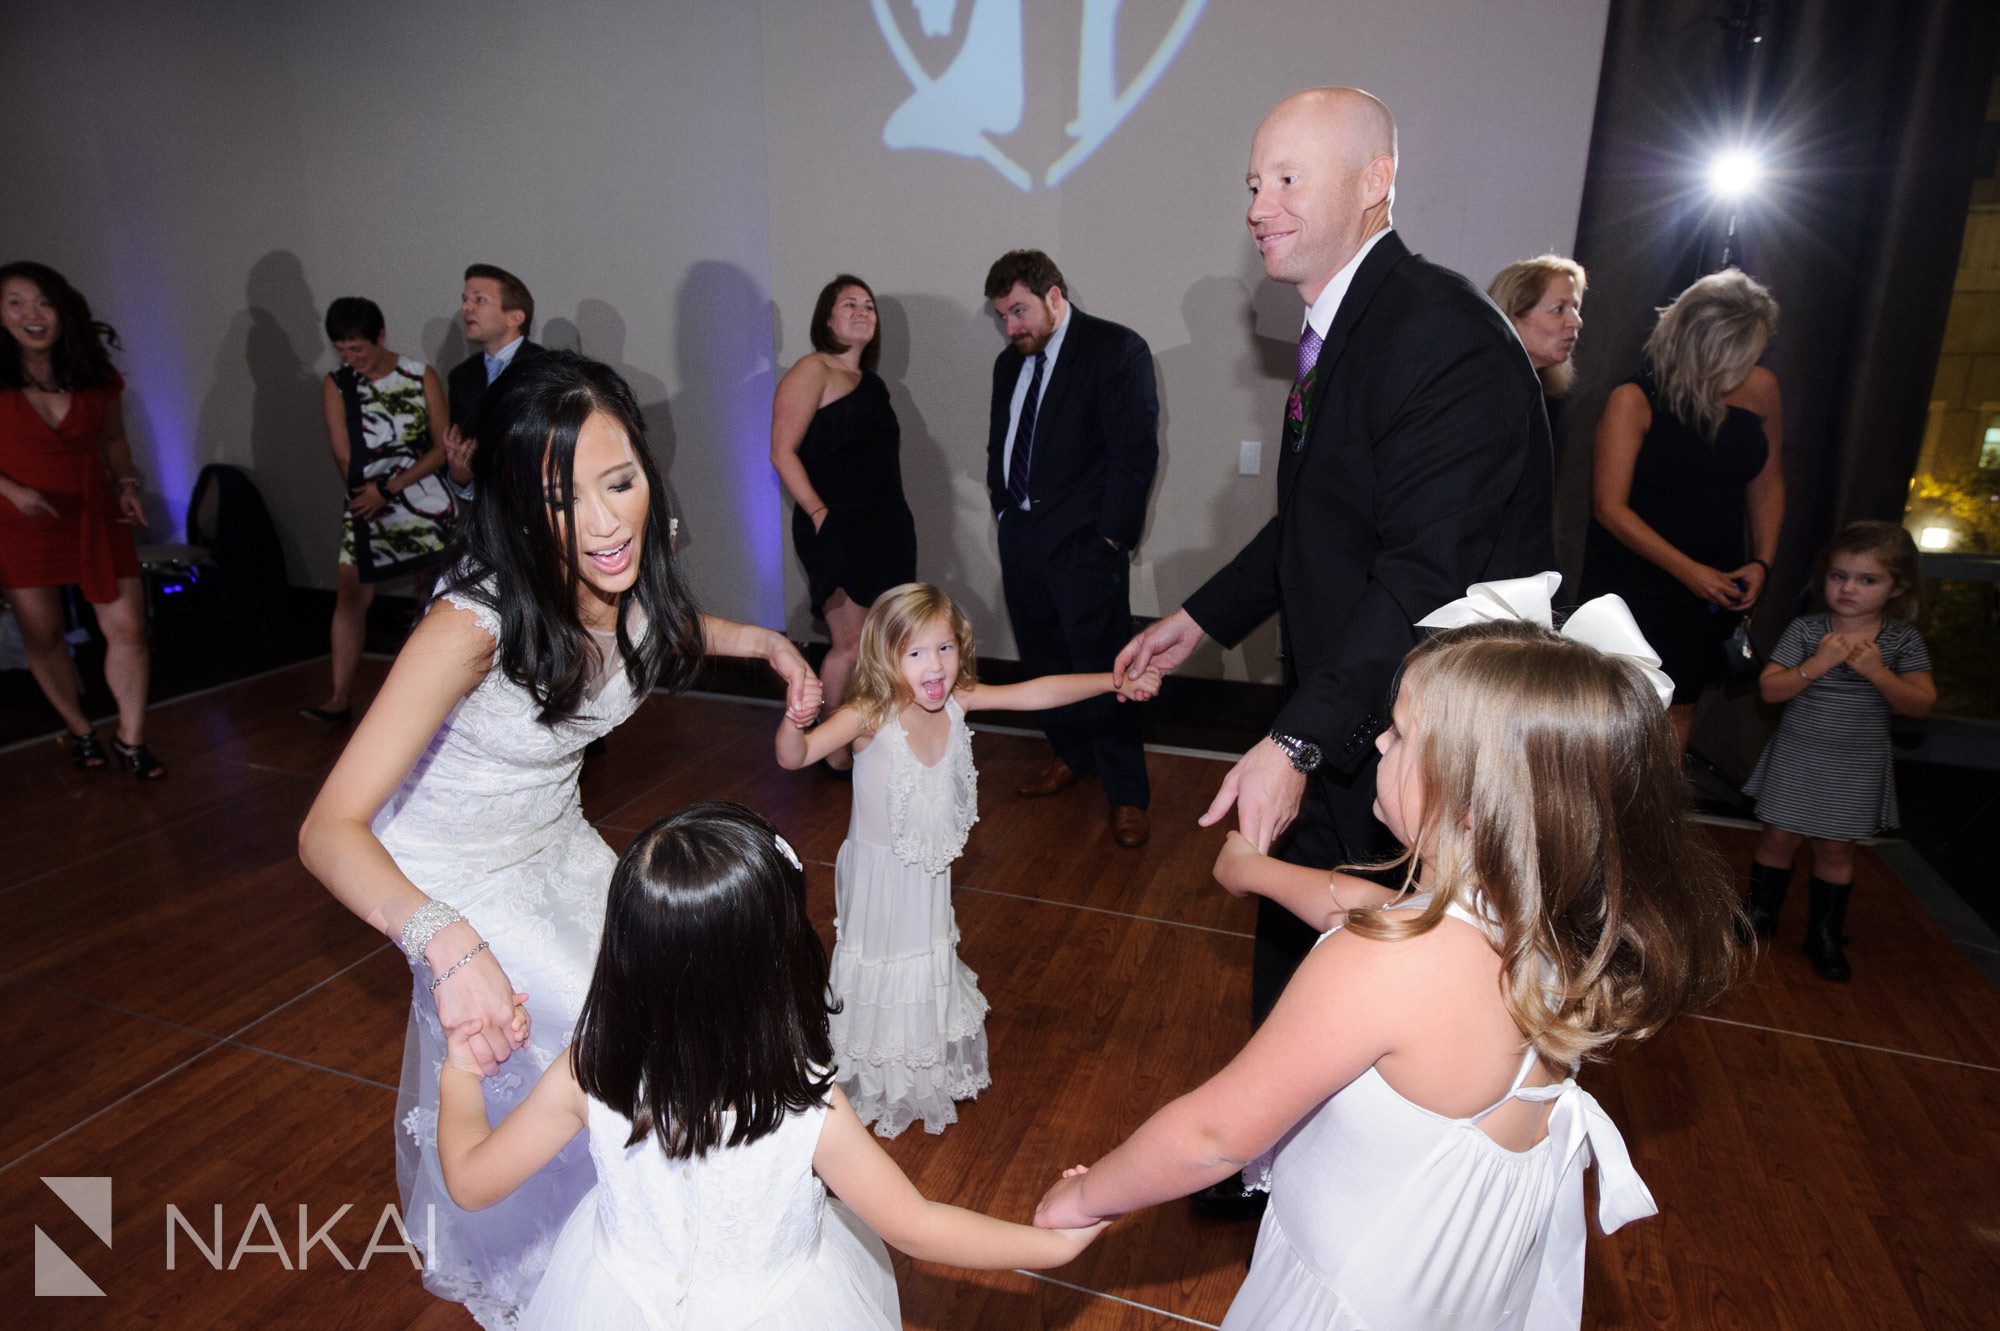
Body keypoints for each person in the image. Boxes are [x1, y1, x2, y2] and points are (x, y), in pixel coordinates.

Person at [1038, 581, 1742, 1328]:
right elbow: (1374, 906)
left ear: (1474, 801)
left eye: (1401, 735)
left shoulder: (1382, 967)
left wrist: (1086, 1197)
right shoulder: (1547, 919)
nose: (1377, 740)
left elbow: (1213, 1134)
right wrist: (1254, 869)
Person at [297, 352, 817, 1328]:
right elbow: (326, 829)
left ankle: (659, 1239)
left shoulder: (621, 578)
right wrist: (444, 942)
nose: (607, 521)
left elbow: (666, 627)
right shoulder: (469, 621)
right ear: (518, 507)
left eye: (619, 482)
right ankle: (601, 1268)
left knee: (669, 1006)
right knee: (619, 1044)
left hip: (559, 841)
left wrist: (773, 644)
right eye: (563, 499)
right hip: (451, 874)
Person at [1114, 88, 1555, 1219]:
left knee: (1372, 965)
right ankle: (1269, 1157)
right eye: (1253, 183)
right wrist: (1200, 618)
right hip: (1346, 709)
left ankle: (1313, 1180)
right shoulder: (1351, 321)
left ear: (1374, 181)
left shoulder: (1437, 335)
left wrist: (1296, 737)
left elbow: (1417, 577)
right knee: (1293, 929)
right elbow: (1318, 523)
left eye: (1288, 180)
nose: (1259, 206)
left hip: (1415, 747)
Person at [434, 801, 1108, 1330]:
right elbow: (919, 1225)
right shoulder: (806, 1107)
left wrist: (461, 1070)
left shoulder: (591, 1069)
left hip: (616, 1299)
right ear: (777, 964)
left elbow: (469, 1181)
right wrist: (1052, 1246)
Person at [775, 582, 1161, 1137]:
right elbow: (798, 756)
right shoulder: (868, 714)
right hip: (881, 882)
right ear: (885, 655)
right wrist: (794, 718)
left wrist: (1113, 682)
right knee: (883, 968)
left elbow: (1037, 692)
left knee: (924, 960)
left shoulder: (959, 700)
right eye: (915, 653)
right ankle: (876, 1078)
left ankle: (917, 1071)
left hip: (928, 876)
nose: (934, 667)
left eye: (945, 648)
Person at [983, 249, 1160, 849]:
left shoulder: (1115, 349)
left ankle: (1128, 793)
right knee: (1042, 657)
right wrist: (1003, 507)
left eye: (1020, 311)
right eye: (1003, 316)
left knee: (1104, 667)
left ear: (1054, 295)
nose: (1012, 327)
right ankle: (1071, 754)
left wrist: (1111, 537)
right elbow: (1000, 444)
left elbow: (1134, 454)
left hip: (1086, 545)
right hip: (1022, 539)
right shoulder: (1011, 365)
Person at [1581, 268, 1783, 753]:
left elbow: (1769, 482)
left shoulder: (1762, 390)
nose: (1749, 361)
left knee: (1682, 703)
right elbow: (1610, 508)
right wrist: (1691, 573)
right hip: (1638, 580)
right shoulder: (1634, 399)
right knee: (1614, 708)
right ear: (1702, 343)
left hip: (1715, 580)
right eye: (1740, 351)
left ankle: (1655, 822)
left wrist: (1762, 562)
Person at [1742, 521, 1934, 981]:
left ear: (1896, 587)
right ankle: (1759, 916)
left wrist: (1878, 673)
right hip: (1799, 753)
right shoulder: (1807, 632)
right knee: (1778, 838)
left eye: (1868, 580)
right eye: (1838, 575)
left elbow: (1921, 703)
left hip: (1854, 764)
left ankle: (1823, 935)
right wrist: (1816, 665)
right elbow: (1769, 691)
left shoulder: (1903, 641)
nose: (1849, 588)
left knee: (1834, 849)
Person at [0, 260, 166, 778]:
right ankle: (78, 729)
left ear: (62, 310)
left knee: (128, 628)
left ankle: (131, 739)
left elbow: (113, 439)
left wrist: (129, 484)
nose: (33, 314)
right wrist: (12, 490)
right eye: (16, 303)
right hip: (19, 518)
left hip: (95, 510)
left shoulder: (92, 370)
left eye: (44, 302)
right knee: (43, 633)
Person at [770, 274, 917, 769]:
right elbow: (781, 451)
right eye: (849, 304)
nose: (862, 312)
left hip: (886, 528)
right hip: (836, 527)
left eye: (869, 306)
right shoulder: (814, 369)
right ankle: (833, 751)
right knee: (850, 645)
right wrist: (818, 513)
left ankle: (865, 739)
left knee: (882, 644)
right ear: (827, 318)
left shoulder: (873, 385)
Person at [304, 297, 454, 723]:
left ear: (381, 337)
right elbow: (341, 451)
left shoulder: (418, 375)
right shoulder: (338, 383)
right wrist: (369, 494)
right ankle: (339, 696)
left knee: (432, 592)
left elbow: (442, 446)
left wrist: (391, 487)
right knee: (351, 593)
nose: (353, 359)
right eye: (344, 351)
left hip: (419, 496)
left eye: (360, 350)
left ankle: (431, 694)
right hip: (366, 501)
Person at [442, 263, 545, 498]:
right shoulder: (461, 377)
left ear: (515, 317)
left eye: (479, 300)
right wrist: (459, 477)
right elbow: (462, 457)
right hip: (490, 516)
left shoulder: (546, 368)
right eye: (465, 299)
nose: (466, 308)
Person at [1487, 254, 1587, 397]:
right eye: (1558, 309)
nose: (1577, 322)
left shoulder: (1540, 394)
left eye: (1575, 308)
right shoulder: (1484, 393)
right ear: (1512, 317)